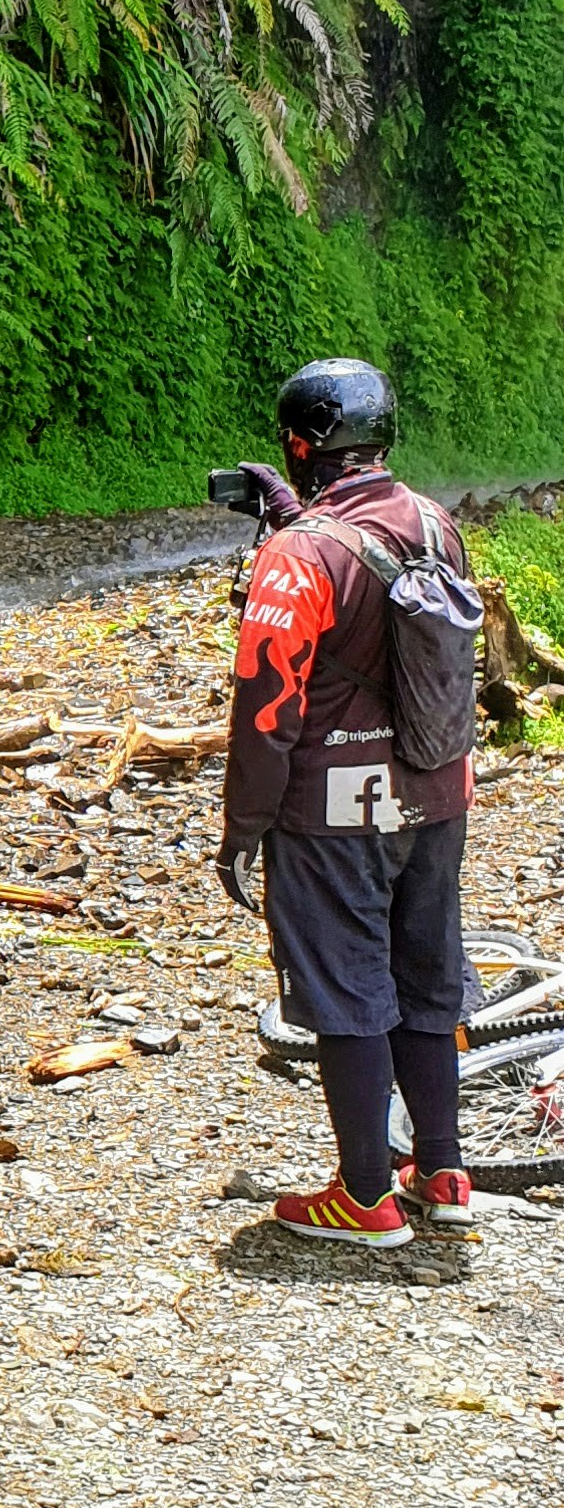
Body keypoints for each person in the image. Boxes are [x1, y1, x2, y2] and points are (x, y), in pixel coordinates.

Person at [217, 357, 475, 1245]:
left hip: (334, 806)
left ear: (298, 444)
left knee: (345, 985)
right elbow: (380, 587)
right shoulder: (437, 524)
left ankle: (363, 1192)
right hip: (437, 792)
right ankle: (440, 1171)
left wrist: (241, 825)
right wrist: (293, 521)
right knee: (424, 974)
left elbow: (265, 704)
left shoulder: (298, 554)